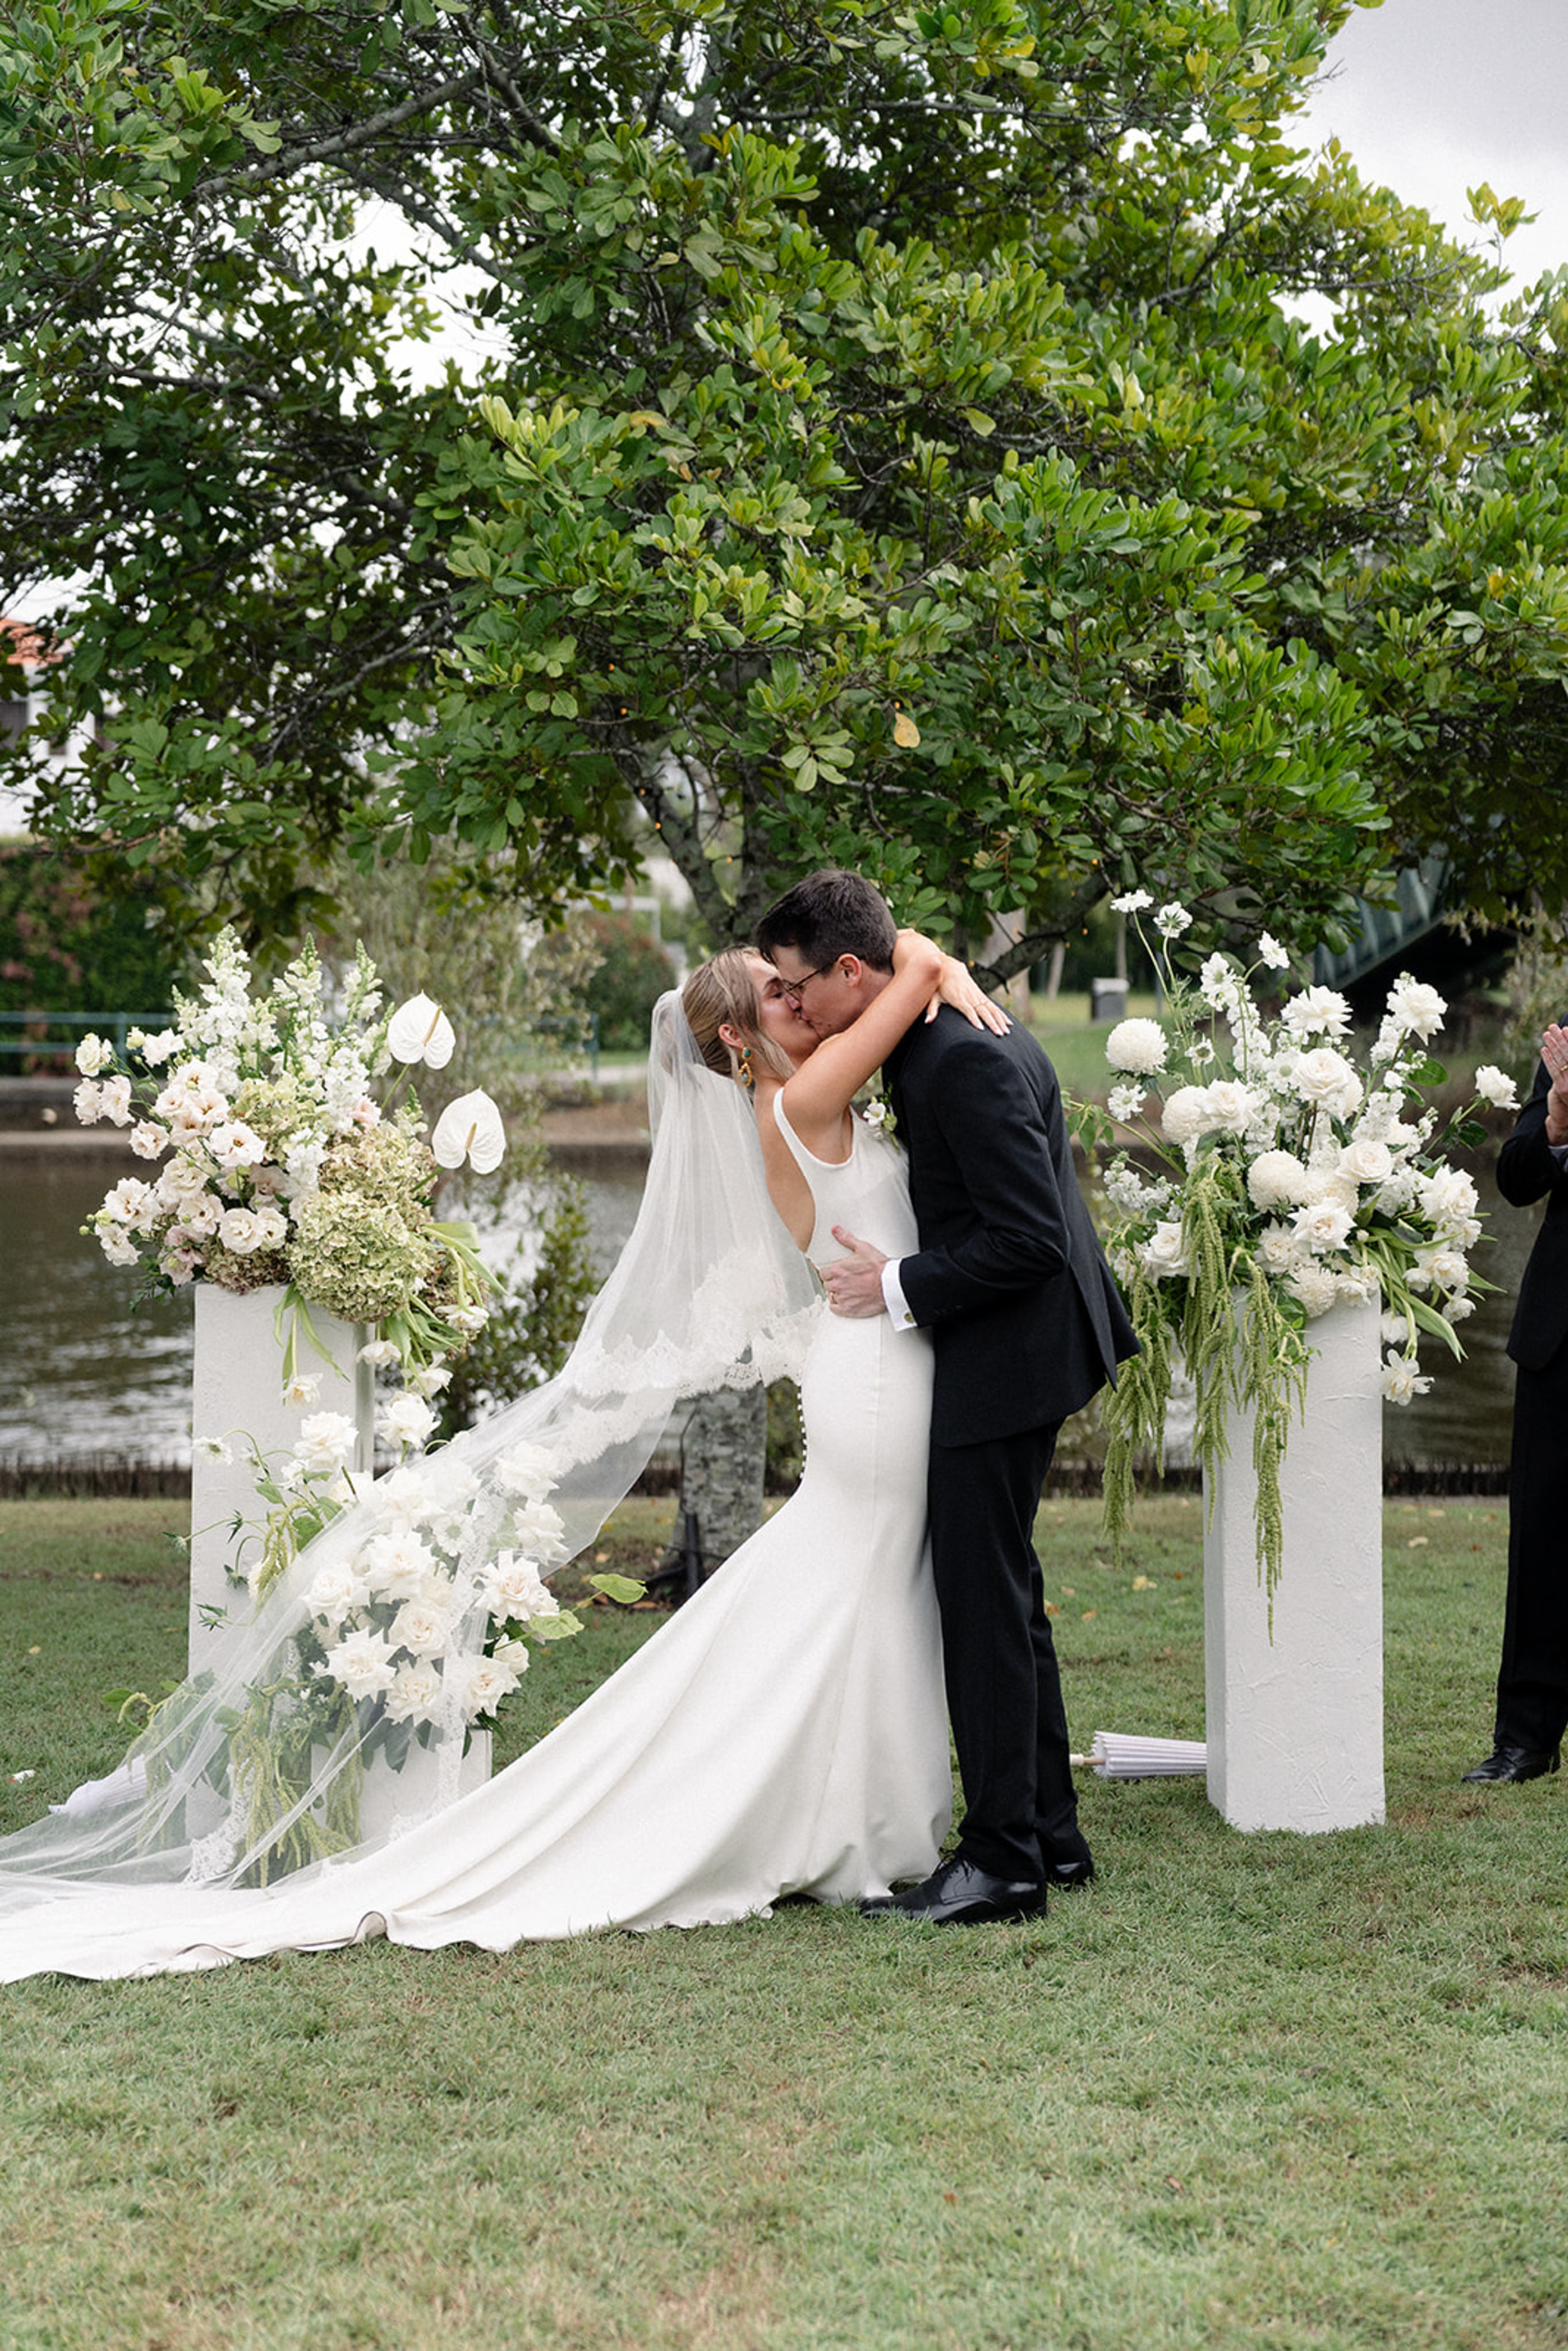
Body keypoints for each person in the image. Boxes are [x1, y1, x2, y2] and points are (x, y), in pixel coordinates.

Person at [0, 933, 999, 1983]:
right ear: (743, 1040)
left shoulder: (795, 1097)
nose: (806, 998)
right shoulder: (797, 1105)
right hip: (874, 1380)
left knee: (857, 1588)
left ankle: (858, 1810)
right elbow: (917, 967)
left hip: (876, 1362)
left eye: (798, 985)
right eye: (781, 994)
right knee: (861, 1582)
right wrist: (949, 975)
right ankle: (853, 1822)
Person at [755, 873, 1138, 1926]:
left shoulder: (957, 1058)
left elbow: (1029, 1240)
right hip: (1019, 1346)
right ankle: (1051, 1833)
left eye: (801, 985)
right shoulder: (937, 1029)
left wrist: (891, 1285)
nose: (797, 1007)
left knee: (982, 1605)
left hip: (1007, 1355)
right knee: (1009, 1594)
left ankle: (1001, 1860)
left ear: (849, 970)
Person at [1463, 1019, 1568, 1785]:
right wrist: (1558, 1114)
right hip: (1561, 1329)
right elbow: (1516, 1175)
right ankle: (1524, 1738)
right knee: (1541, 1539)